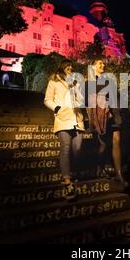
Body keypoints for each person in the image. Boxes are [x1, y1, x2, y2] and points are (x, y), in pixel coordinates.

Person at [44, 60, 85, 200]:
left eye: (72, 67)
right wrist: (57, 109)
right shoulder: (54, 82)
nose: (70, 68)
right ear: (62, 67)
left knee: (78, 149)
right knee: (65, 148)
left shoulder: (75, 82)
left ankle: (69, 170)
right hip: (62, 119)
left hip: (77, 119)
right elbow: (47, 99)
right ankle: (67, 180)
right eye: (68, 66)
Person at [86, 59, 129, 189]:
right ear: (93, 67)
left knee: (117, 140)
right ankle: (99, 166)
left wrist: (117, 112)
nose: (103, 65)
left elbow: (115, 97)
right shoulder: (89, 83)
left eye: (103, 63)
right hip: (100, 117)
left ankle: (119, 175)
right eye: (99, 63)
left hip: (113, 114)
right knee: (104, 144)